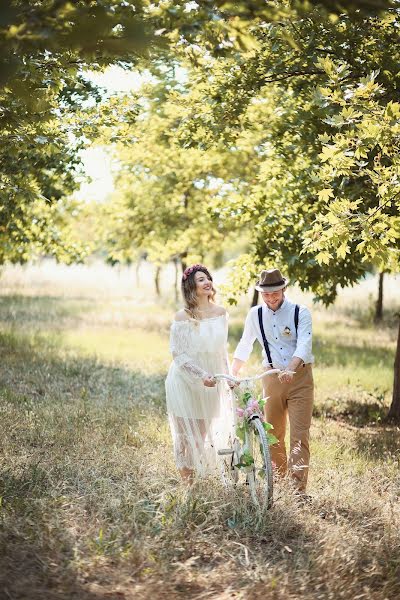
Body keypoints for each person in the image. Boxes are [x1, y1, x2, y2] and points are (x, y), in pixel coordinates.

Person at [231, 268, 314, 493]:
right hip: (271, 378)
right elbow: (246, 343)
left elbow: (304, 345)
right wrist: (234, 372)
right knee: (273, 433)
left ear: (284, 289)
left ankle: (298, 490)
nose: (271, 297)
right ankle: (278, 481)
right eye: (266, 294)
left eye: (275, 292)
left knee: (299, 434)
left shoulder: (300, 312)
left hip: (300, 377)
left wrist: (290, 368)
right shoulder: (255, 315)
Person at [165, 264, 233, 482]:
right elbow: (179, 354)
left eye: (208, 278)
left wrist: (228, 375)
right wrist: (200, 374)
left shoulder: (221, 313)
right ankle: (188, 486)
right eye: (201, 279)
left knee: (200, 438)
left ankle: (195, 483)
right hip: (186, 380)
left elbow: (222, 350)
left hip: (211, 382)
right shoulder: (182, 317)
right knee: (186, 438)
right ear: (191, 286)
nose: (207, 282)